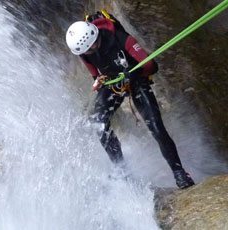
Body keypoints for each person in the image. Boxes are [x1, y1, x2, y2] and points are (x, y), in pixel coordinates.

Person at [65, 11, 195, 189]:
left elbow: (151, 65)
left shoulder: (117, 36)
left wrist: (131, 74)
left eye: (91, 48)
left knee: (156, 126)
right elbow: (95, 74)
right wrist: (100, 81)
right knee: (98, 122)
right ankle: (121, 170)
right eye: (86, 51)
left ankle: (179, 172)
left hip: (137, 78)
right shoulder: (84, 52)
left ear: (94, 38)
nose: (89, 52)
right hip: (114, 83)